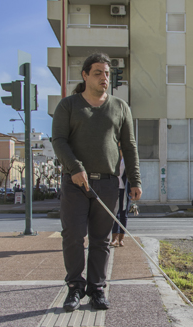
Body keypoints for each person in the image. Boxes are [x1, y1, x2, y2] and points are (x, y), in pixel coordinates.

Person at [52, 53, 142, 312]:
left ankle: (97, 289)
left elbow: (129, 146)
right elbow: (58, 141)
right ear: (85, 75)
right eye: (98, 73)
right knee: (73, 236)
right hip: (75, 183)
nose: (104, 78)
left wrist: (134, 179)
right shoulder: (68, 106)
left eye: (107, 74)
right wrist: (75, 168)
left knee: (101, 240)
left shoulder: (120, 107)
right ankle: (75, 287)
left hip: (108, 183)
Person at [110, 150, 132, 247]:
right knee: (115, 213)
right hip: (114, 188)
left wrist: (134, 188)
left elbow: (133, 173)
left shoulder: (128, 159)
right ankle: (114, 238)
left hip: (125, 189)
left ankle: (121, 239)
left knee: (124, 214)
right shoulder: (113, 157)